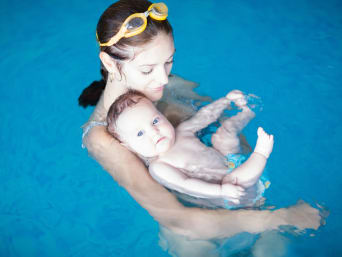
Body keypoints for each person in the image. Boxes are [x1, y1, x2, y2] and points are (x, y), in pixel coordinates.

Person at [79, 0, 321, 246]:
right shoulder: (102, 138)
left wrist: (243, 168)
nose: (163, 77)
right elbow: (178, 220)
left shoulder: (169, 84)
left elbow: (221, 122)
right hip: (201, 235)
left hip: (247, 199)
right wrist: (279, 218)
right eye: (147, 69)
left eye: (169, 61)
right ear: (110, 64)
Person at [106, 89, 274, 209]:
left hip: (231, 162)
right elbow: (186, 184)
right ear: (128, 146)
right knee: (232, 179)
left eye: (155, 121)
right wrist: (221, 191)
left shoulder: (182, 131)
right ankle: (261, 154)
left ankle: (248, 111)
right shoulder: (159, 167)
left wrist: (225, 101)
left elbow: (204, 116)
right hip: (232, 192)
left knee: (223, 135)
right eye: (140, 133)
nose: (154, 132)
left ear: (162, 115)